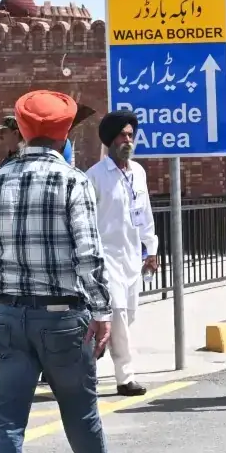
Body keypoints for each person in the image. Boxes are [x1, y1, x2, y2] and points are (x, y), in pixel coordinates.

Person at [0, 91, 148, 453]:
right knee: (80, 413)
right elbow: (89, 257)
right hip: (63, 317)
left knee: (6, 422)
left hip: (7, 314)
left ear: (22, 131)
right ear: (66, 133)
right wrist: (103, 312)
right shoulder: (73, 183)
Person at [86, 111, 160, 398]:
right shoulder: (95, 176)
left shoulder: (138, 172)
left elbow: (145, 214)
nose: (127, 140)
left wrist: (150, 249)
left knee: (126, 318)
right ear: (110, 139)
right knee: (116, 316)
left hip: (132, 259)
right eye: (122, 135)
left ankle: (98, 353)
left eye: (130, 135)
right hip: (106, 260)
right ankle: (125, 377)